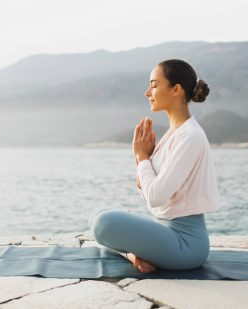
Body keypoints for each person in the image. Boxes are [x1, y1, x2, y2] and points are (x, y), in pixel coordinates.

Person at [88, 59, 221, 273]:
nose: (147, 92)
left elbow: (155, 196)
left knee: (104, 223)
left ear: (176, 89)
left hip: (185, 245)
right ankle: (133, 255)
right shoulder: (175, 134)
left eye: (154, 85)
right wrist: (143, 159)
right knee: (97, 214)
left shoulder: (190, 137)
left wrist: (142, 158)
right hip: (164, 227)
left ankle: (132, 252)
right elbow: (150, 195)